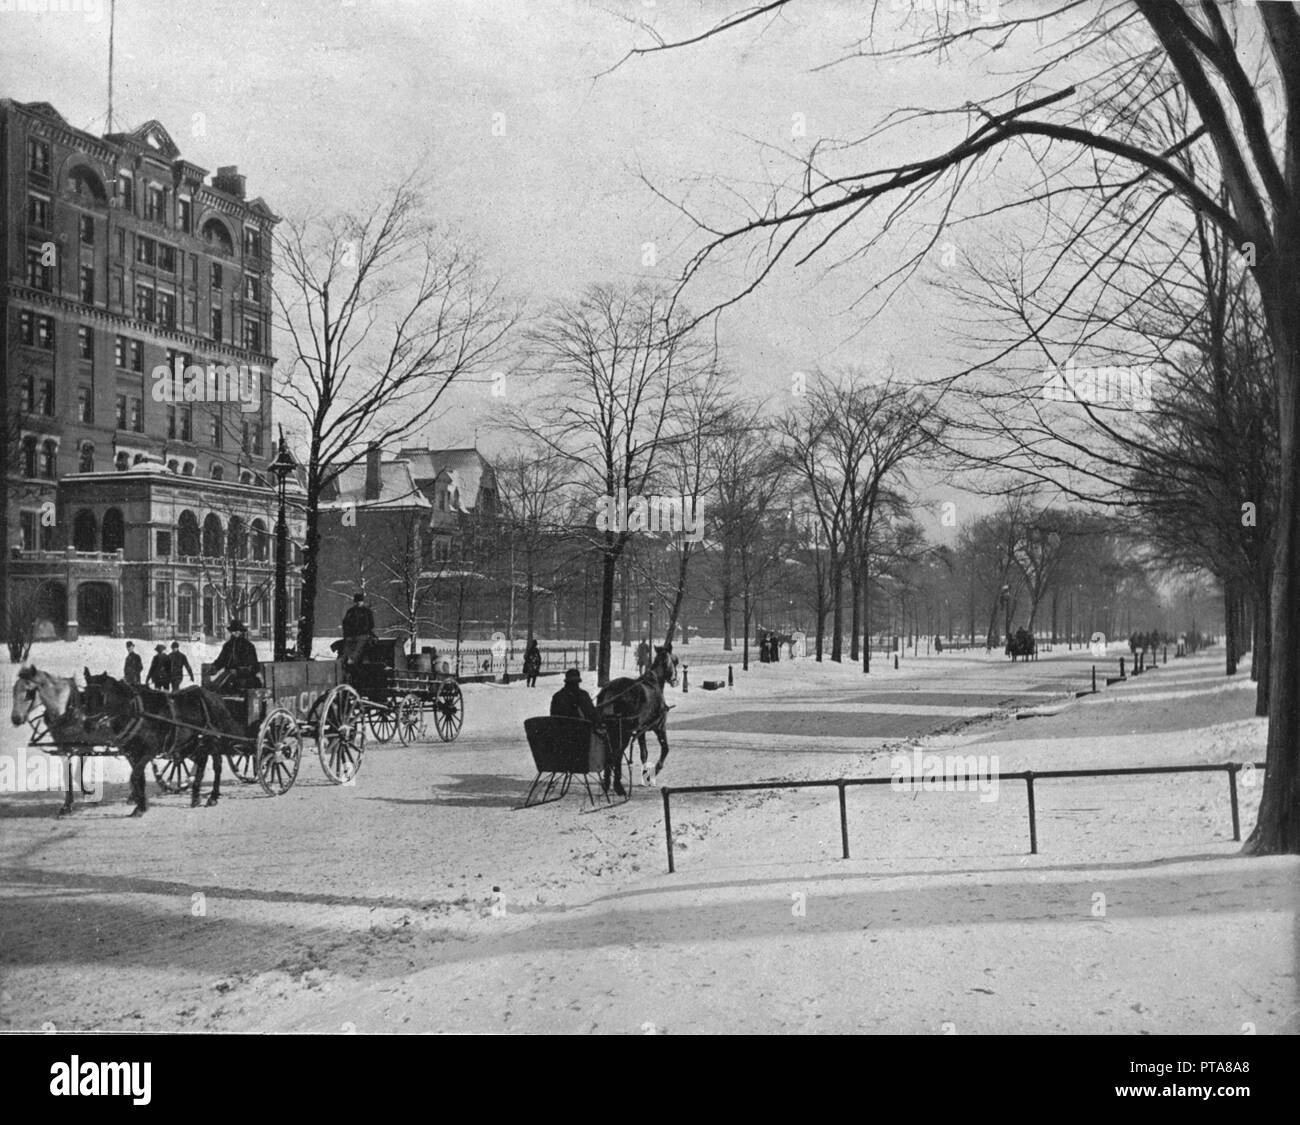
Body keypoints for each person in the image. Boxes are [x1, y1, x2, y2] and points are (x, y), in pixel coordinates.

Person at [211, 619, 262, 691]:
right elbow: (221, 660)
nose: (235, 633)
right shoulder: (227, 646)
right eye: (233, 631)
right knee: (217, 688)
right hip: (229, 677)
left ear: (241, 632)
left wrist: (238, 671)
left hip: (245, 679)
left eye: (238, 631)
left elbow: (254, 667)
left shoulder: (248, 646)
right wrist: (215, 667)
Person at [340, 592, 375, 669]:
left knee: (358, 647)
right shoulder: (351, 611)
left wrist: (363, 630)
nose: (358, 603)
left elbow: (371, 624)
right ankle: (344, 660)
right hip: (352, 635)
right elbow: (345, 624)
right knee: (347, 648)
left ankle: (351, 660)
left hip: (362, 635)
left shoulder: (366, 611)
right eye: (357, 601)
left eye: (360, 601)